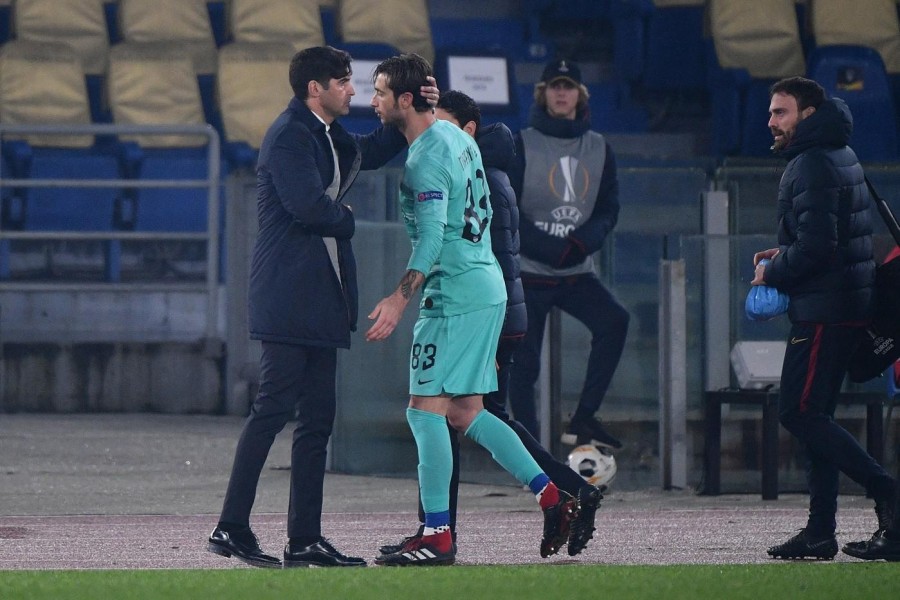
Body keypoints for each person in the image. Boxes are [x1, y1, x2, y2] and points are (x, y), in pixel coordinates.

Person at [207, 46, 438, 569]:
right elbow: (309, 208)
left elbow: (371, 152)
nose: (353, 90)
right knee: (273, 409)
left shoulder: (326, 135)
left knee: (317, 421)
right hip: (289, 293)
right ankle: (231, 528)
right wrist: (347, 217)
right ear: (316, 88)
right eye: (344, 81)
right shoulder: (290, 134)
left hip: (318, 295)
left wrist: (414, 106)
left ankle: (304, 541)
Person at [364, 54, 576, 566]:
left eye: (380, 91)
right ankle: (553, 497)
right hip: (486, 286)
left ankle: (437, 534)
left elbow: (434, 233)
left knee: (423, 410)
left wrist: (399, 296)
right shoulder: (456, 137)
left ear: (406, 99)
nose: (372, 100)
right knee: (465, 410)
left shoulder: (424, 159)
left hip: (455, 294)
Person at [753, 76, 897, 560]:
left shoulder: (811, 163)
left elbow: (818, 246)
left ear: (808, 115)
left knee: (798, 411)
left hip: (824, 312)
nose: (771, 121)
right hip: (845, 305)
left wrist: (772, 271)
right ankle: (819, 532)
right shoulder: (841, 153)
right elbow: (832, 236)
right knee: (818, 417)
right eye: (771, 112)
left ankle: (887, 491)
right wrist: (787, 252)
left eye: (781, 112)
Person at [506, 58, 629, 450]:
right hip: (528, 273)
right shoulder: (521, 142)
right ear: (543, 93)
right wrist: (551, 247)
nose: (562, 93)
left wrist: (578, 245)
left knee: (615, 321)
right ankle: (532, 455)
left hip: (576, 271)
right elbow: (507, 208)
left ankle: (584, 418)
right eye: (555, 86)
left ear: (579, 94)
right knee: (523, 368)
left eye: (569, 86)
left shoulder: (599, 146)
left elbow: (609, 207)